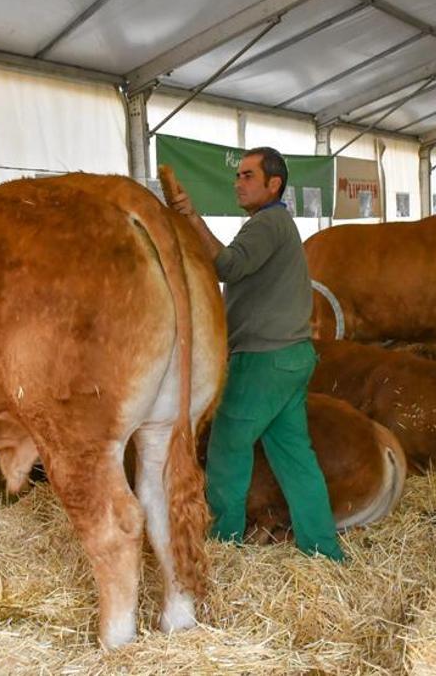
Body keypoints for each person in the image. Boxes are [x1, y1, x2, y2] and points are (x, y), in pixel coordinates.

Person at [168, 147, 344, 562]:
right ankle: (323, 550)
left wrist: (193, 219)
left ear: (274, 184)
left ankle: (224, 548)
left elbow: (227, 265)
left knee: (228, 450)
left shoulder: (267, 224)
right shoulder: (277, 224)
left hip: (262, 359)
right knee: (295, 457)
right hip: (292, 356)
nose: (238, 183)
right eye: (239, 176)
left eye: (248, 176)